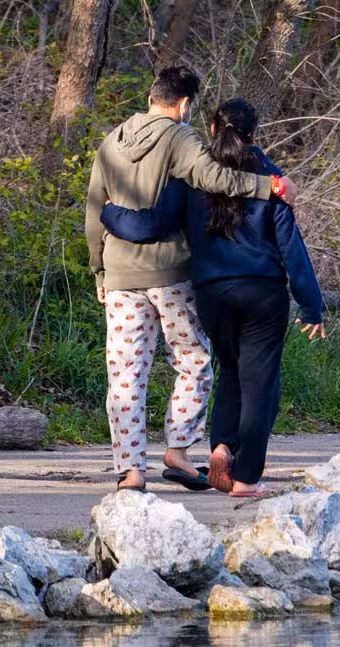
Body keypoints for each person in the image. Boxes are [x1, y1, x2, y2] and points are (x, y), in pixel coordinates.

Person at [86, 67, 298, 493]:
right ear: (184, 104)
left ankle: (130, 472)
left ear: (152, 96)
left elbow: (95, 210)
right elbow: (212, 177)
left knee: (125, 373)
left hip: (121, 274)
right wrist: (267, 186)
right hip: (171, 274)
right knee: (194, 361)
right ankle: (179, 451)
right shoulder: (180, 137)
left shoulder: (111, 141)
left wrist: (100, 270)